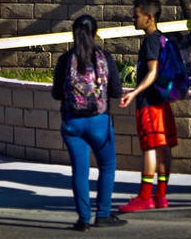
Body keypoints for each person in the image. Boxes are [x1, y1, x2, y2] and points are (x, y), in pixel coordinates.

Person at [51, 15, 126, 232]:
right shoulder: (105, 58)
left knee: (80, 172)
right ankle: (102, 215)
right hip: (99, 123)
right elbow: (115, 91)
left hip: (72, 123)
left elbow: (57, 94)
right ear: (96, 34)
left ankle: (83, 220)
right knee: (107, 167)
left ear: (73, 34)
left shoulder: (65, 60)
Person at [118, 0, 177, 213]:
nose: (133, 19)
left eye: (137, 15)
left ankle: (145, 196)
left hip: (149, 103)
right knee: (163, 147)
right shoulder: (162, 39)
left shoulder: (151, 40)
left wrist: (134, 93)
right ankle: (160, 195)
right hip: (161, 101)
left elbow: (152, 72)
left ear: (149, 17)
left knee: (150, 148)